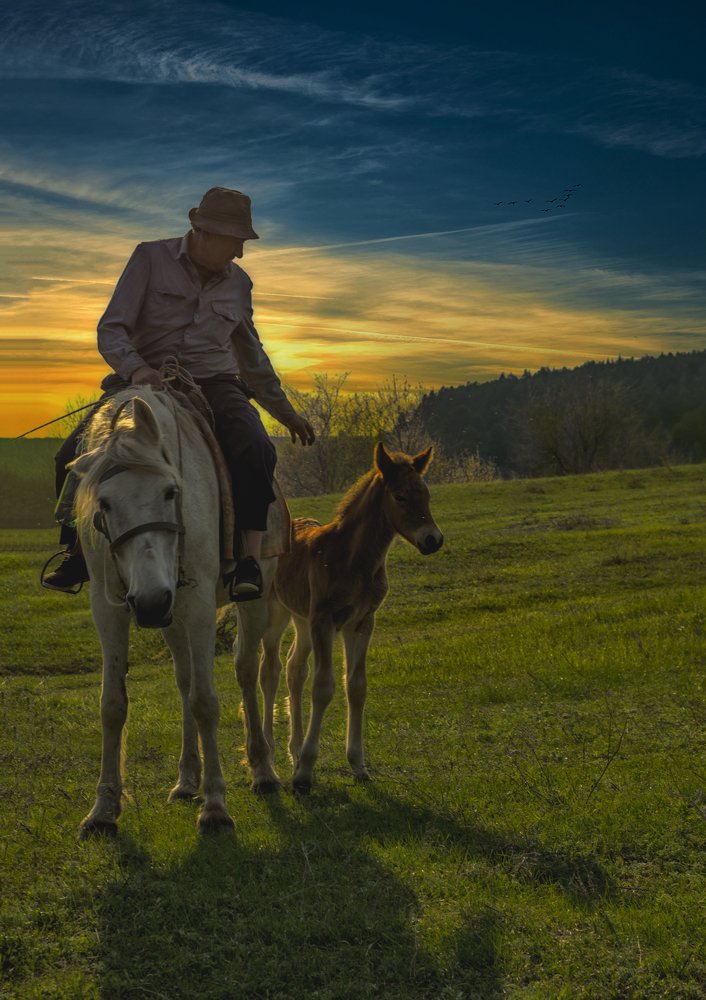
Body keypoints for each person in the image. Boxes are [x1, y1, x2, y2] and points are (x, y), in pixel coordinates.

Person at [42, 186, 315, 599]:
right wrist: (138, 369)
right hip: (143, 379)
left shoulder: (240, 285)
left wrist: (285, 412)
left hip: (215, 383)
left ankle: (248, 561)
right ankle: (77, 551)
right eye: (235, 242)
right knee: (69, 458)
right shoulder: (149, 258)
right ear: (202, 231)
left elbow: (251, 355)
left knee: (257, 449)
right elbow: (111, 328)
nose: (239, 254)